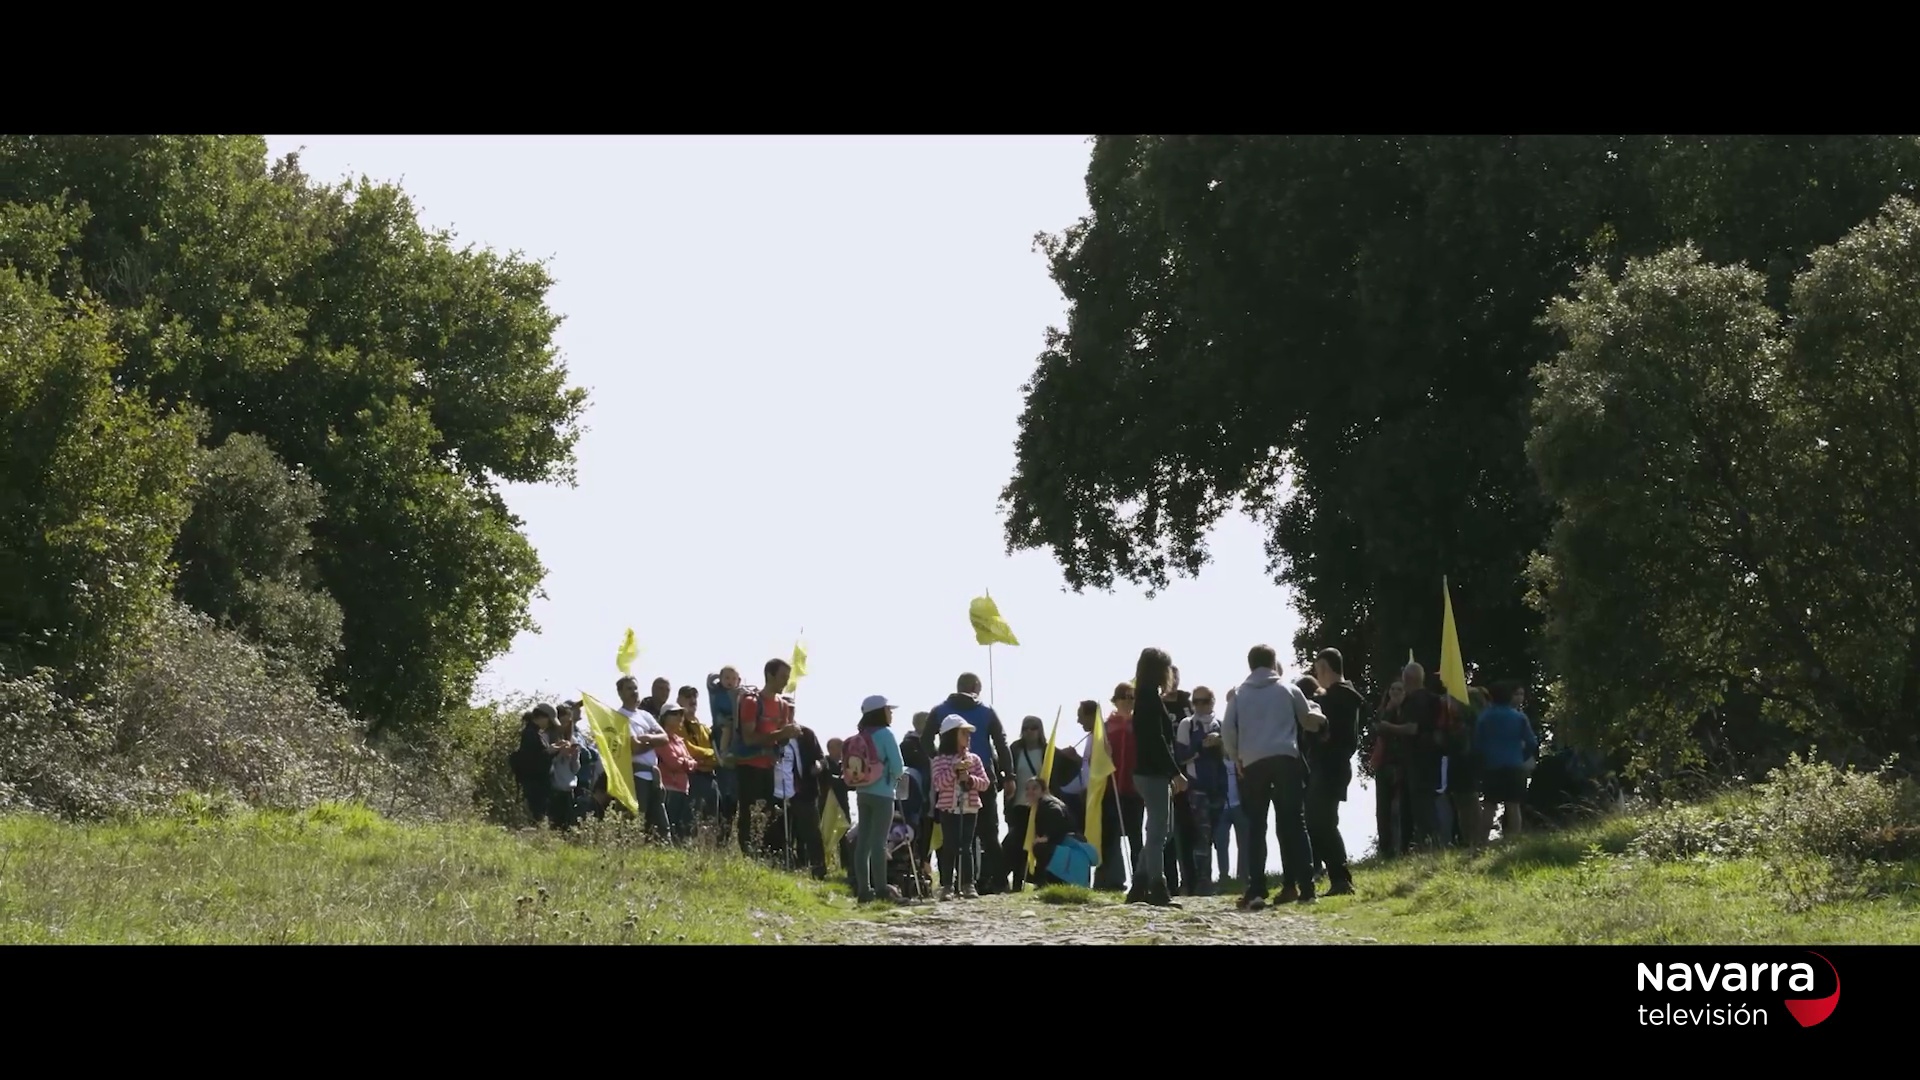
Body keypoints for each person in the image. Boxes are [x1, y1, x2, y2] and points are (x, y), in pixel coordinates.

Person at [1222, 644, 1325, 909]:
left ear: (1250, 665)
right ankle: (1307, 888)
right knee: (1294, 822)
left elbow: (1228, 732)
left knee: (1256, 826)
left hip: (1253, 762)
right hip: (1285, 759)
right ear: (1273, 662)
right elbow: (1308, 720)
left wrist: (1236, 758)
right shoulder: (1288, 689)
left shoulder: (1239, 694)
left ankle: (1256, 890)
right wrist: (1320, 715)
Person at [927, 675, 1014, 895]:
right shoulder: (987, 711)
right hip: (978, 779)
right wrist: (1009, 774)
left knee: (958, 842)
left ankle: (963, 884)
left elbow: (925, 739)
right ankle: (1000, 882)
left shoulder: (939, 710)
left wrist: (938, 756)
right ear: (976, 688)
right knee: (989, 834)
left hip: (974, 782)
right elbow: (1001, 742)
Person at [1128, 648, 1182, 907]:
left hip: (1149, 772)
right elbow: (1157, 740)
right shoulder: (1149, 699)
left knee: (1162, 831)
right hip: (1153, 773)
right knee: (1159, 832)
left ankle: (1139, 883)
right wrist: (1175, 772)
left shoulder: (1146, 698)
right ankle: (1157, 886)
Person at [1308, 649, 1363, 895]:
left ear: (1325, 668)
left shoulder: (1338, 697)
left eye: (1318, 670)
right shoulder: (1342, 696)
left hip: (1331, 766)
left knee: (1323, 823)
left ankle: (1341, 878)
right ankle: (1338, 877)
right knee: (1321, 822)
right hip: (1332, 766)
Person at [734, 659, 800, 859]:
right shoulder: (752, 702)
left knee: (767, 812)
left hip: (769, 766)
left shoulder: (783, 706)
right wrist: (781, 734)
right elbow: (749, 738)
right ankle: (747, 855)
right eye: (782, 677)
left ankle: (762, 855)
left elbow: (780, 739)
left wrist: (788, 734)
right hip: (749, 765)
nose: (785, 682)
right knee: (748, 811)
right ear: (769, 675)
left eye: (787, 678)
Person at [850, 695, 907, 904]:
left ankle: (864, 890)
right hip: (883, 793)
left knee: (863, 841)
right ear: (880, 712)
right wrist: (894, 777)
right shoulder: (886, 734)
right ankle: (882, 889)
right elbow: (898, 767)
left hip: (862, 791)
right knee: (879, 841)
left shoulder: (862, 734)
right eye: (888, 710)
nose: (891, 713)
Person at [1174, 685, 1228, 896]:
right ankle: (1202, 881)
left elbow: (1232, 753)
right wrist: (1201, 747)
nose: (1199, 706)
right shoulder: (1187, 725)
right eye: (1195, 702)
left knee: (1215, 833)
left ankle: (1209, 878)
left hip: (1219, 786)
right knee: (1201, 833)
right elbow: (1181, 755)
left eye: (1204, 701)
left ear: (1212, 701)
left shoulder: (1221, 724)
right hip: (1196, 787)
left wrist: (1220, 742)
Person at [931, 715, 992, 900]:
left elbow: (985, 783)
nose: (968, 736)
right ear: (951, 735)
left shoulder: (974, 759)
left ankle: (968, 884)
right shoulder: (940, 760)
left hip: (970, 808)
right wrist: (953, 770)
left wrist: (970, 779)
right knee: (949, 845)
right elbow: (938, 784)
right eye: (963, 732)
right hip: (949, 809)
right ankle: (947, 885)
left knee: (966, 846)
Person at [1475, 680, 1539, 841]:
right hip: (1515, 766)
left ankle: (1481, 843)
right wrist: (1521, 757)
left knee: (1489, 806)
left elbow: (1476, 744)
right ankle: (1513, 842)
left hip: (1492, 767)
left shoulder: (1484, 717)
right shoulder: (1519, 717)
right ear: (1509, 697)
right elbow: (1532, 743)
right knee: (1513, 806)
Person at [616, 677, 671, 837]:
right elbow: (634, 747)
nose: (634, 692)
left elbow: (665, 738)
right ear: (620, 693)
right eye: (629, 689)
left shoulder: (645, 715)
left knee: (661, 825)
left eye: (635, 688)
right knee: (636, 821)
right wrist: (653, 738)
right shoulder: (619, 718)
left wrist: (648, 739)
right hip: (635, 775)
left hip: (653, 776)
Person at [1104, 682, 1143, 889]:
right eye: (1124, 697)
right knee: (1112, 837)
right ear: (1116, 700)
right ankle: (1114, 880)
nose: (1128, 701)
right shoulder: (1106, 725)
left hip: (1135, 788)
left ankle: (1139, 878)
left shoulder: (1140, 724)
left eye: (1131, 697)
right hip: (1112, 788)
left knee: (1136, 837)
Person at [1003, 716, 1049, 891]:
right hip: (1019, 805)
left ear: (1040, 730)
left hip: (1040, 806)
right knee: (1016, 845)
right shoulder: (1015, 749)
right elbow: (1006, 770)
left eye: (1034, 728)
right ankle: (1016, 883)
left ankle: (1041, 881)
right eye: (1026, 728)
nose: (1029, 731)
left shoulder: (1047, 751)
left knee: (1039, 845)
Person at [706, 666, 743, 840]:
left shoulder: (739, 694)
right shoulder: (717, 693)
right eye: (726, 678)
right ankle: (722, 752)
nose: (730, 681)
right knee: (726, 729)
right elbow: (711, 681)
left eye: (733, 678)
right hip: (723, 723)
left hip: (735, 728)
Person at [676, 686, 719, 830]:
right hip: (693, 777)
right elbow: (688, 750)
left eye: (694, 696)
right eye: (688, 696)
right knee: (690, 821)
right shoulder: (678, 725)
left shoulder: (704, 728)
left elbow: (717, 752)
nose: (692, 700)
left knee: (711, 821)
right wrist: (713, 755)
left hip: (710, 778)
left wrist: (712, 756)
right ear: (679, 700)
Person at [657, 706, 699, 844]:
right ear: (665, 717)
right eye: (675, 713)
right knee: (670, 823)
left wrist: (685, 762)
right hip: (668, 788)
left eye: (681, 714)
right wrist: (686, 762)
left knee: (680, 827)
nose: (680, 717)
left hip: (682, 788)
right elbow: (673, 763)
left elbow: (693, 764)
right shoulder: (661, 739)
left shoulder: (679, 741)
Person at [1023, 777, 1074, 886]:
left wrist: (1047, 837)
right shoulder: (1044, 803)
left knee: (1039, 847)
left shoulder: (1046, 802)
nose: (1030, 792)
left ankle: (1043, 883)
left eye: (1034, 788)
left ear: (1043, 790)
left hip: (1066, 847)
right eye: (1027, 789)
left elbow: (1057, 813)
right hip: (1063, 846)